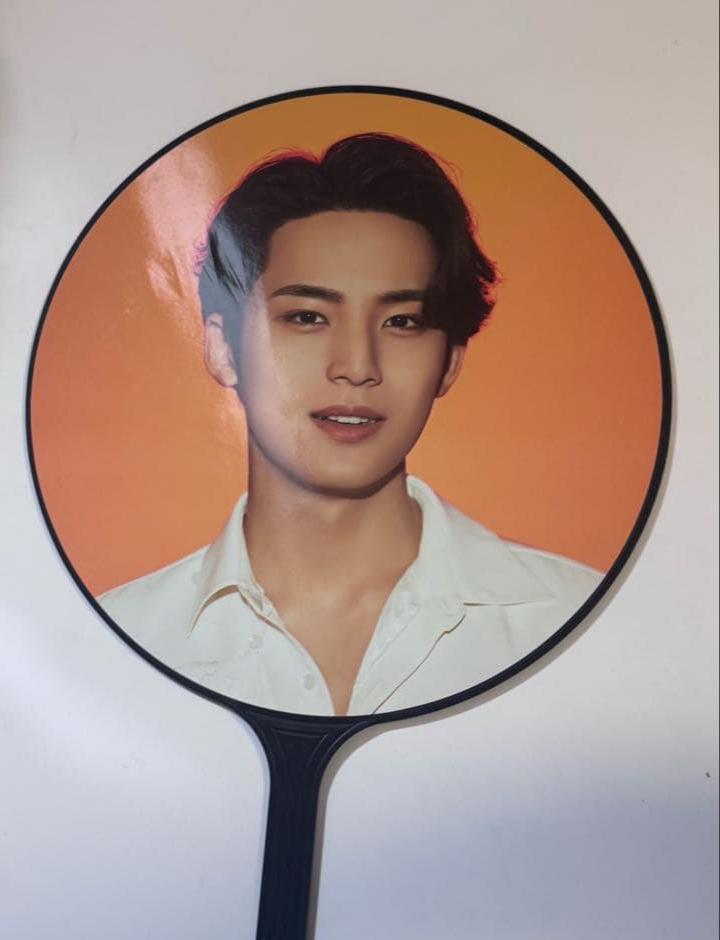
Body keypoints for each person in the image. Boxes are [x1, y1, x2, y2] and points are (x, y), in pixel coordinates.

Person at [98, 133, 602, 716]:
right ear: (222, 347)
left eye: (403, 322)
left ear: (450, 361)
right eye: (308, 317)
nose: (358, 367)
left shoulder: (575, 617)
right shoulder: (118, 635)